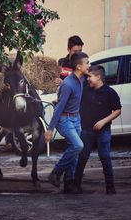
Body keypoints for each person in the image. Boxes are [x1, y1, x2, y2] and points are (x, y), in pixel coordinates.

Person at [44, 52, 90, 194]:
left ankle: (68, 183)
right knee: (78, 145)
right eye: (87, 63)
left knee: (74, 151)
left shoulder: (81, 79)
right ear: (78, 66)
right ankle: (56, 173)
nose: (89, 65)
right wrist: (50, 129)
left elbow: (94, 76)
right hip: (65, 119)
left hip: (76, 119)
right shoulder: (68, 85)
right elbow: (58, 108)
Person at [75, 65, 121, 194]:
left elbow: (117, 110)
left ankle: (110, 186)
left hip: (104, 131)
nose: (87, 79)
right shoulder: (85, 91)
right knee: (82, 156)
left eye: (89, 76)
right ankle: (76, 184)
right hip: (86, 130)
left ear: (99, 77)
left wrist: (103, 121)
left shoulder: (109, 92)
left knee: (105, 156)